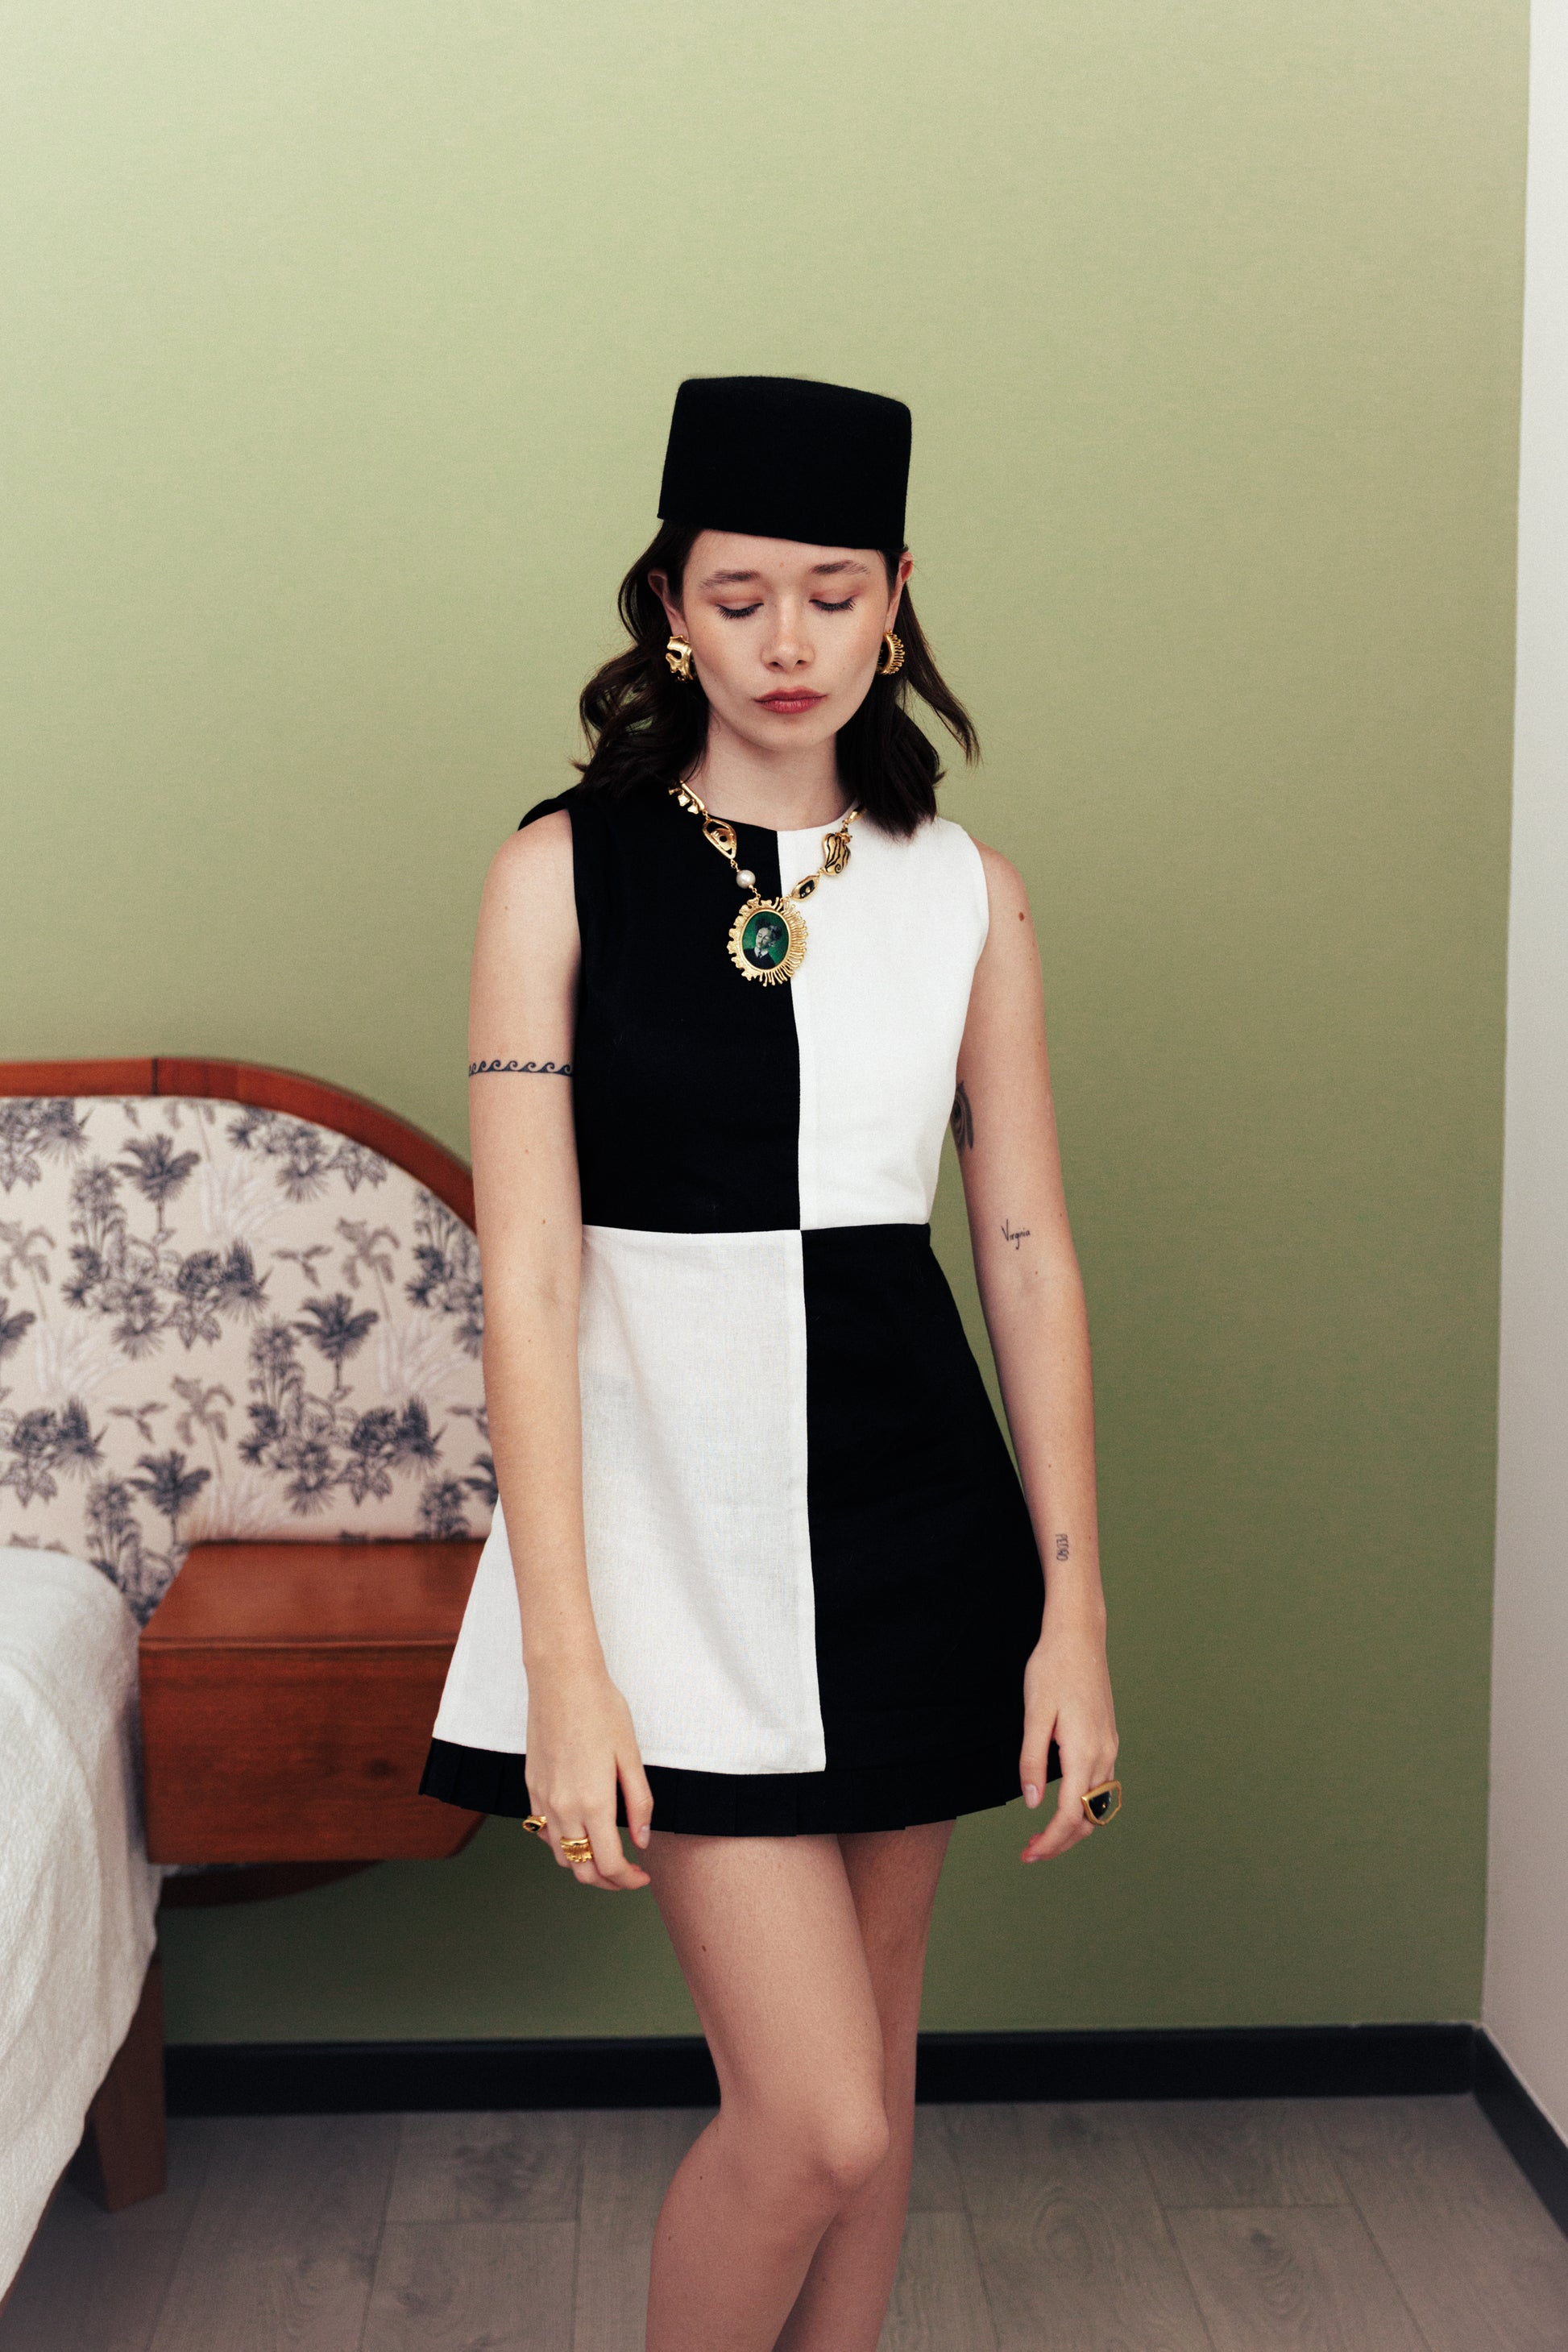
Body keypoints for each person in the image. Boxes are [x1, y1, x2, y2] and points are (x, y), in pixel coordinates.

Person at [422, 374, 1119, 2352]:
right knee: (811, 2117)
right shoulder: (558, 871)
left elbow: (1026, 1255)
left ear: (896, 601)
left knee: (870, 2091)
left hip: (909, 1516)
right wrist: (564, 1653)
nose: (787, 640)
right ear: (670, 607)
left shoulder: (968, 892)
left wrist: (1072, 1614)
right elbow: (530, 1278)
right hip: (664, 1531)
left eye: (833, 593)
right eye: (739, 597)